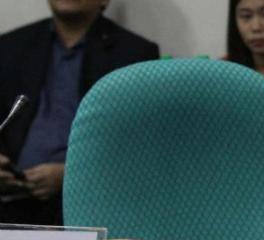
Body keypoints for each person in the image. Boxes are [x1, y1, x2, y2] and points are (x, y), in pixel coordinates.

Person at [0, 0, 159, 225]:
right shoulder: (10, 46)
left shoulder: (134, 53)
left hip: (87, 201)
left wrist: (72, 174)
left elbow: (137, 142)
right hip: (11, 198)